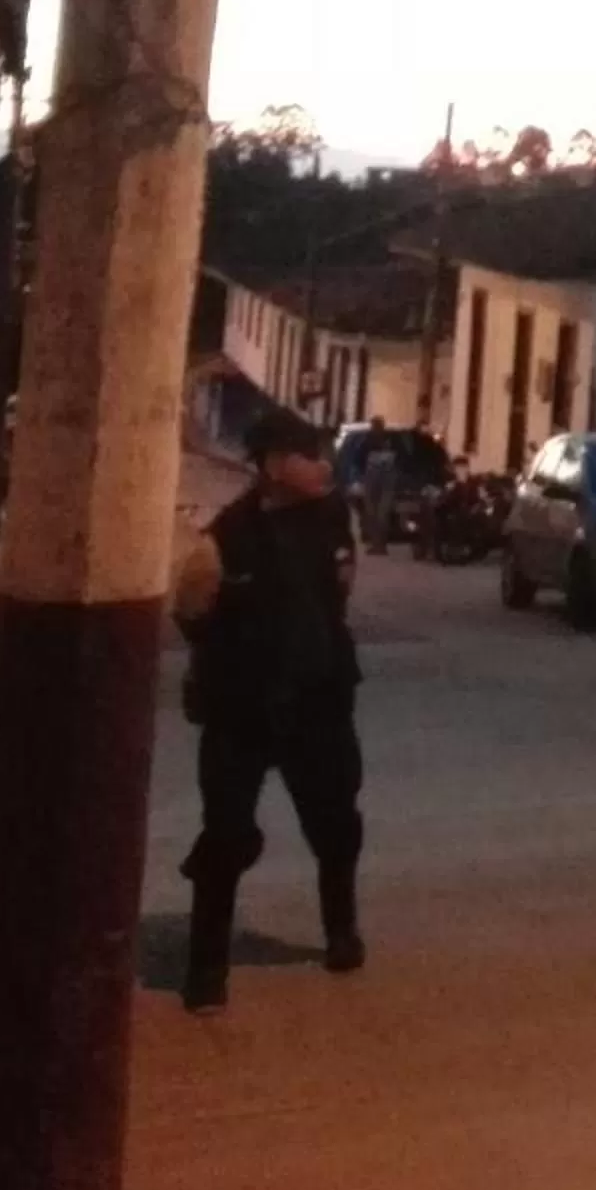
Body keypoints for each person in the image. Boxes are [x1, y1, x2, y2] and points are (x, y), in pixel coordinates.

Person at [171, 410, 366, 1014]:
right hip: (242, 707)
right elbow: (193, 612)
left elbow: (338, 594)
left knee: (335, 825)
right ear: (275, 466)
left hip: (318, 701)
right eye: (309, 455)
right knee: (225, 835)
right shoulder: (225, 537)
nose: (323, 464)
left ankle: (341, 930)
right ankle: (206, 971)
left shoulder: (333, 516)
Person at [357, 416, 399, 553]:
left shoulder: (367, 440)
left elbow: (359, 458)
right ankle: (381, 545)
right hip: (388, 477)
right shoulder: (392, 440)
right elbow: (401, 458)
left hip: (373, 477)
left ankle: (377, 545)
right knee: (382, 512)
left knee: (372, 512)